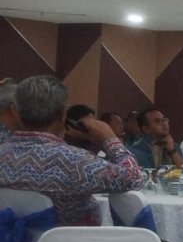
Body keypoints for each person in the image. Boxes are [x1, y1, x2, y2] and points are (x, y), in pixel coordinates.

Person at [0, 75, 144, 226]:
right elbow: (134, 178)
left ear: (15, 110)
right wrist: (110, 139)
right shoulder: (75, 162)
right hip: (70, 240)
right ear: (63, 114)